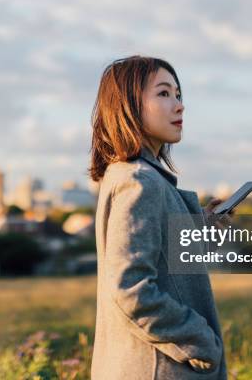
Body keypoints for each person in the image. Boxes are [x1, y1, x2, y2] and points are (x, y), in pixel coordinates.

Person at [88, 55, 228, 379]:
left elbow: (166, 258)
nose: (179, 106)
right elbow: (131, 288)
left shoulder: (133, 176)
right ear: (128, 104)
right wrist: (200, 340)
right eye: (163, 94)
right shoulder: (139, 182)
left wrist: (203, 223)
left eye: (178, 95)